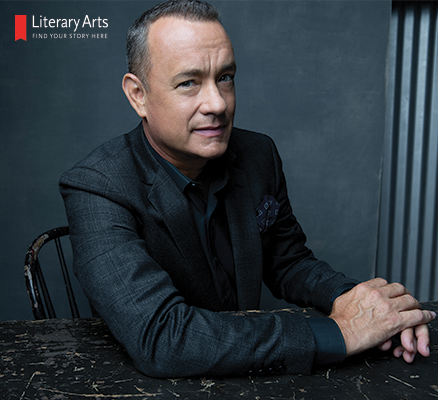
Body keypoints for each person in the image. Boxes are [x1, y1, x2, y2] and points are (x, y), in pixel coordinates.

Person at [59, 0, 435, 378]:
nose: (218, 104)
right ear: (138, 95)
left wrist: (371, 307)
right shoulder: (97, 186)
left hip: (251, 376)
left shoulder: (257, 154)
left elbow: (289, 263)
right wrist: (343, 331)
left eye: (225, 77)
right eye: (189, 83)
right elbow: (163, 339)